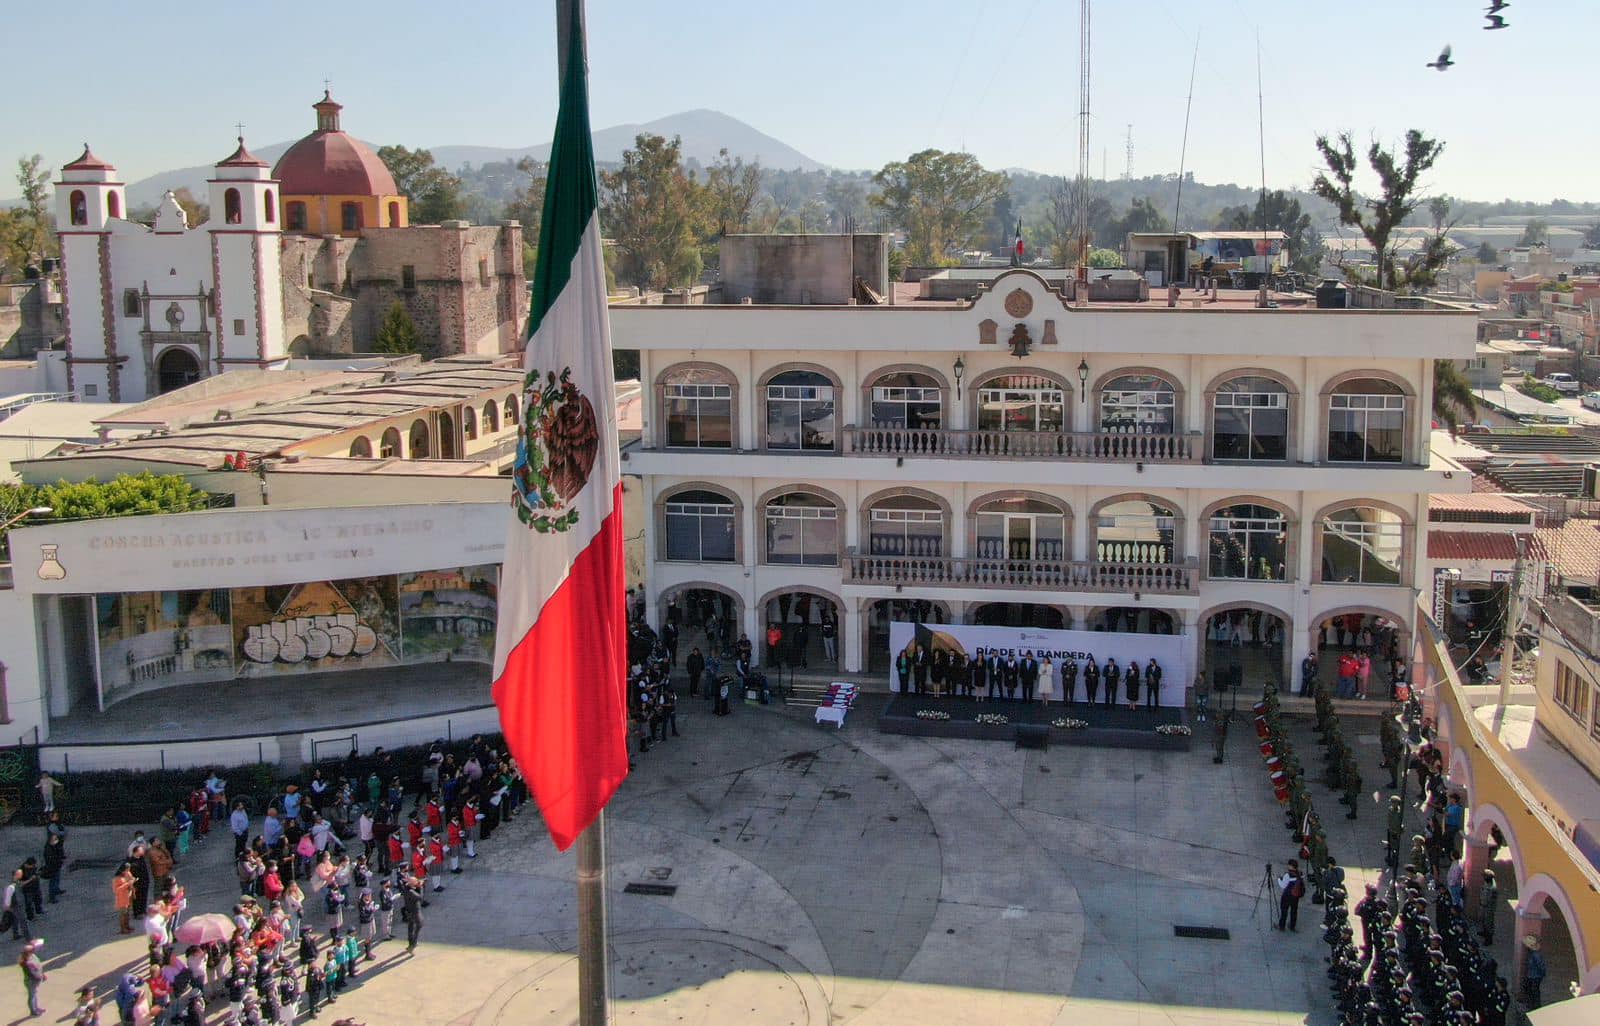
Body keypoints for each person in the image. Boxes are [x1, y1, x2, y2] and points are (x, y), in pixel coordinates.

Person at [19, 939, 46, 1018]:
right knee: (32, 996)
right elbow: (32, 974)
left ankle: (36, 1008)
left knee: (34, 995)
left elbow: (38, 967)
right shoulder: (26, 962)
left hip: (35, 980)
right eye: (32, 950)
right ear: (28, 952)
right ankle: (33, 1011)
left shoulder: (32, 956)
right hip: (31, 982)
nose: (34, 950)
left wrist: (42, 974)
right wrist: (39, 977)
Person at [1276, 861, 1304, 931]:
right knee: (1294, 911)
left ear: (1291, 866)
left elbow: (1283, 885)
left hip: (1287, 895)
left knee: (1284, 911)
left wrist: (1279, 879)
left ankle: (1281, 926)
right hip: (1295, 896)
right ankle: (1292, 926)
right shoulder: (1300, 873)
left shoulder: (1288, 875)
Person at [400, 874, 424, 953]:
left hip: (409, 910)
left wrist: (416, 885)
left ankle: (410, 941)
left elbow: (411, 886)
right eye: (415, 882)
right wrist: (420, 887)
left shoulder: (406, 888)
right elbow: (420, 898)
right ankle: (413, 942)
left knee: (410, 926)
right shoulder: (410, 891)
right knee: (419, 925)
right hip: (415, 912)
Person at [43, 833, 66, 904]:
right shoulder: (48, 849)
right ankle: (52, 897)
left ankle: (56, 890)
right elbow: (50, 858)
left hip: (57, 865)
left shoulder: (55, 845)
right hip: (52, 866)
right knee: (53, 881)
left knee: (56, 879)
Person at [1479, 870, 1498, 944]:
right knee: (1483, 920)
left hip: (1488, 908)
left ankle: (1489, 939)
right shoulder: (1487, 883)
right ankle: (1484, 932)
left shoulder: (1492, 888)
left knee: (1488, 923)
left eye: (1484, 876)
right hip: (1484, 906)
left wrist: (1483, 903)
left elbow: (1489, 899)